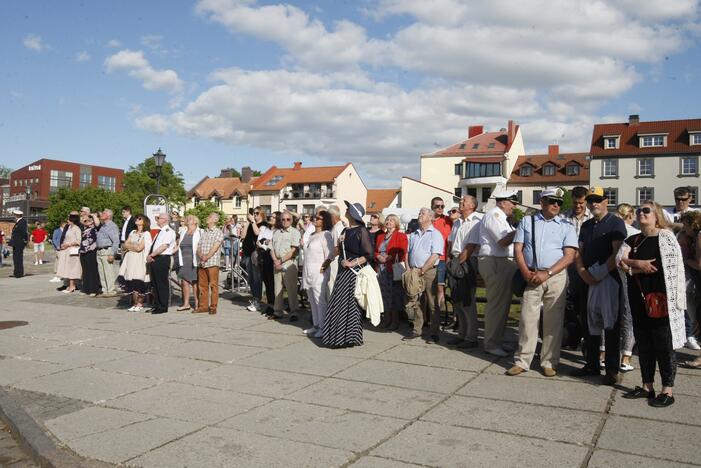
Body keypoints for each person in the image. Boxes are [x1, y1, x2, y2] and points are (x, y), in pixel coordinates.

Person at [619, 201, 686, 407]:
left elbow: (661, 268)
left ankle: (668, 389)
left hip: (661, 298)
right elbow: (619, 260)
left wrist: (630, 267)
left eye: (646, 210)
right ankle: (647, 386)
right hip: (638, 297)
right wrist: (637, 264)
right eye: (639, 210)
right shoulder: (633, 239)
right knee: (644, 343)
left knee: (663, 344)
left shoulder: (666, 238)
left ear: (656, 215)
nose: (641, 213)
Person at [507, 188, 578, 377]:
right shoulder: (527, 221)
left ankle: (549, 361)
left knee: (553, 321)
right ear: (542, 202)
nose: (556, 205)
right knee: (527, 319)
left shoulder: (566, 225)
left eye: (559, 202)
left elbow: (569, 256)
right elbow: (518, 249)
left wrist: (548, 273)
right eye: (552, 201)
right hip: (531, 275)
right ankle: (523, 360)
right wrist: (525, 272)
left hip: (555, 277)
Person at [572, 187, 628, 386]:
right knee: (589, 324)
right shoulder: (586, 225)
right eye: (591, 200)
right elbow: (578, 253)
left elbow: (618, 253)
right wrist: (583, 273)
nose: (593, 203)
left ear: (606, 201)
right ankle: (591, 364)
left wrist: (600, 273)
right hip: (588, 279)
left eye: (598, 200)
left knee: (610, 324)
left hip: (609, 280)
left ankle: (612, 369)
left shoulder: (615, 222)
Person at [323, 201, 373, 348]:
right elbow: (338, 250)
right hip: (342, 271)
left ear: (352, 213)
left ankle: (349, 337)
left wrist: (352, 263)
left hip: (353, 273)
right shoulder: (345, 231)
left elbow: (368, 254)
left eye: (348, 209)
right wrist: (338, 246)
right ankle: (338, 337)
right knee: (338, 303)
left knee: (349, 305)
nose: (345, 210)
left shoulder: (362, 231)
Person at [478, 190, 518, 357]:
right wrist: (520, 229)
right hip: (495, 261)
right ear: (503, 202)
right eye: (513, 202)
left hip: (502, 262)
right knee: (497, 305)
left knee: (503, 304)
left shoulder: (502, 218)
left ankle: (497, 340)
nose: (515, 206)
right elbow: (502, 241)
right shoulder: (494, 215)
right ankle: (491, 343)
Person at [404, 207, 444, 343]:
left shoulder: (435, 234)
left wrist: (422, 270)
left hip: (429, 271)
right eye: (419, 212)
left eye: (423, 213)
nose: (420, 215)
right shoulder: (414, 234)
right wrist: (409, 268)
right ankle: (417, 330)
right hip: (414, 271)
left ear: (431, 217)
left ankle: (434, 333)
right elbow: (408, 252)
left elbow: (435, 255)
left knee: (432, 302)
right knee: (416, 302)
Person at [449, 195, 482, 348]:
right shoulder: (457, 222)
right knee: (458, 301)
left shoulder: (476, 222)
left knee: (468, 301)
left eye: (465, 201)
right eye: (461, 200)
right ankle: (462, 334)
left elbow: (471, 247)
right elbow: (451, 244)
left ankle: (471, 337)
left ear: (472, 206)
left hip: (466, 262)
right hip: (456, 260)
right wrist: (451, 262)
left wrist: (456, 264)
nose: (461, 202)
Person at [563, 186, 593, 349]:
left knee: (585, 304)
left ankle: (586, 340)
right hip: (567, 266)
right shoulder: (563, 217)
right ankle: (571, 338)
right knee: (569, 304)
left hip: (585, 266)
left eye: (581, 203)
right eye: (575, 203)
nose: (578, 206)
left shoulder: (592, 217)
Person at [302, 210, 334, 337]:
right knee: (311, 299)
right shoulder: (312, 234)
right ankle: (316, 325)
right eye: (315, 217)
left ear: (324, 221)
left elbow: (330, 254)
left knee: (319, 300)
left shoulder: (326, 234)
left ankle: (323, 327)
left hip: (319, 271)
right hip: (308, 270)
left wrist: (324, 266)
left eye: (319, 218)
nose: (315, 219)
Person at [375, 213, 408, 331]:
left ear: (396, 223)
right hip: (381, 269)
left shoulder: (400, 235)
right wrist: (378, 256)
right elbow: (375, 251)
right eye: (388, 220)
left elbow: (403, 251)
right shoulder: (380, 237)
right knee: (384, 295)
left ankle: (395, 321)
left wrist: (389, 257)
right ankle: (386, 319)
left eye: (392, 220)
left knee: (394, 295)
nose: (389, 222)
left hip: (393, 268)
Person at [271, 210, 302, 321]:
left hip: (289, 263)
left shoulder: (295, 232)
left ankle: (294, 312)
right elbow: (271, 248)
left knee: (291, 289)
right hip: (277, 262)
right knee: (277, 289)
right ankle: (278, 311)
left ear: (292, 220)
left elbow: (293, 251)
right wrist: (275, 260)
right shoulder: (276, 233)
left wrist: (281, 261)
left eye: (288, 219)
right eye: (283, 219)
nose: (285, 221)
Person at [678, 211, 701, 351]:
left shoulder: (699, 236)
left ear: (693, 225)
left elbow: (699, 264)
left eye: (685, 225)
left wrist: (685, 261)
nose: (684, 229)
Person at [119, 214, 152, 312]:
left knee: (139, 280)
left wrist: (131, 246)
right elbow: (125, 245)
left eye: (139, 218)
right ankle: (134, 303)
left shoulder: (146, 234)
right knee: (131, 280)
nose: (137, 220)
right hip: (130, 259)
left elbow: (139, 248)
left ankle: (140, 303)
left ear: (144, 221)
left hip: (139, 259)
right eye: (136, 218)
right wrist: (133, 245)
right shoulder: (133, 232)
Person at [147, 213, 176, 314]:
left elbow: (164, 246)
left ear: (165, 220)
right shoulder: (160, 232)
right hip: (156, 258)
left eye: (158, 218)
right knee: (155, 283)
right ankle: (156, 304)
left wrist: (152, 255)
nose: (157, 220)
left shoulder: (168, 231)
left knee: (161, 283)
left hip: (162, 258)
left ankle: (163, 306)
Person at [196, 213, 224, 314]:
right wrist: (201, 255)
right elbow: (198, 246)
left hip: (212, 263)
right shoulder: (204, 232)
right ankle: (203, 307)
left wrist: (206, 257)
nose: (207, 218)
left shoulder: (218, 232)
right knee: (202, 286)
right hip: (202, 263)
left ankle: (213, 307)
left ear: (215, 220)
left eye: (209, 217)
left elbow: (215, 247)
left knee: (213, 286)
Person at [431, 197, 453, 317]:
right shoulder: (429, 221)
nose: (440, 208)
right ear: (432, 207)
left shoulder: (448, 220)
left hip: (444, 258)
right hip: (430, 259)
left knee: (441, 288)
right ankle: (431, 316)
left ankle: (441, 315)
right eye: (437, 206)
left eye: (442, 206)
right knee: (430, 289)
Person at [242, 207, 265, 312]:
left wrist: (252, 221)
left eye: (257, 213)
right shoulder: (251, 224)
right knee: (250, 278)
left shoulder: (263, 225)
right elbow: (242, 235)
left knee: (256, 279)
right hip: (247, 254)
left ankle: (258, 300)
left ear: (261, 214)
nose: (254, 215)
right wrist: (248, 222)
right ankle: (255, 298)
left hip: (256, 255)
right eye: (253, 213)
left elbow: (257, 233)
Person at [176, 215, 200, 312]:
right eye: (188, 219)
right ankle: (186, 304)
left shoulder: (199, 231)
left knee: (194, 282)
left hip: (193, 260)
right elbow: (178, 245)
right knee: (184, 282)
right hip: (184, 260)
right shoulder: (183, 231)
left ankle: (197, 304)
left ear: (195, 221)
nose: (188, 220)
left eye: (190, 219)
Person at [94, 209, 120, 297]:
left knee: (108, 272)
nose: (101, 214)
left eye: (104, 213)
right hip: (99, 251)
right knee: (102, 272)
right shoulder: (103, 226)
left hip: (107, 250)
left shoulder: (112, 226)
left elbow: (116, 241)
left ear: (109, 216)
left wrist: (112, 253)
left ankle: (111, 290)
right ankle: (105, 290)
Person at [57, 214, 82, 293]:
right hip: (66, 250)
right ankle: (68, 285)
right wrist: (63, 244)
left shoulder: (76, 229)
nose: (67, 220)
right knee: (67, 268)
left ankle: (72, 285)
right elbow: (66, 238)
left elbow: (79, 240)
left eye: (69, 219)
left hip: (72, 251)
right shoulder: (69, 228)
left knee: (72, 268)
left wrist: (69, 244)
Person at [326, 205, 346, 295]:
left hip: (334, 261)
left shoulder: (336, 228)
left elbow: (336, 248)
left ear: (332, 216)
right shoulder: (341, 226)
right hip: (338, 260)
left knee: (331, 286)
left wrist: (327, 261)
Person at [79, 214, 100, 296]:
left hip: (92, 251)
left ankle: (94, 290)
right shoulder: (83, 229)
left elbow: (97, 223)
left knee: (92, 271)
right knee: (85, 270)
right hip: (83, 251)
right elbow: (80, 222)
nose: (86, 222)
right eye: (85, 221)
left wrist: (92, 217)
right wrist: (83, 221)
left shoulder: (95, 228)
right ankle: (86, 289)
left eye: (88, 220)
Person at [9, 209, 28, 278]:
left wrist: (23, 241)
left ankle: (19, 273)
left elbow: (23, 233)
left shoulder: (22, 222)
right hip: (16, 243)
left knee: (18, 258)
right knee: (15, 258)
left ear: (17, 215)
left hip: (19, 243)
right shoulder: (18, 222)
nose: (14, 216)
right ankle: (16, 272)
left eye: (15, 215)